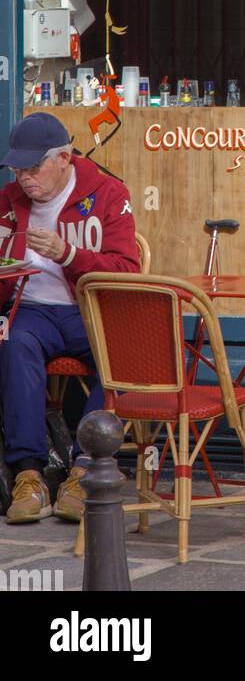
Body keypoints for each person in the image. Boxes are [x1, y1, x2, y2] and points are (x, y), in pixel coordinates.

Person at [0, 113, 140, 524]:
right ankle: (29, 474)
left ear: (63, 158)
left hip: (90, 309)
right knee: (13, 343)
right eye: (17, 168)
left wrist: (68, 254)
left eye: (33, 167)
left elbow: (127, 271)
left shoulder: (109, 194)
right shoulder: (7, 202)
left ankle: (85, 471)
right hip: (31, 310)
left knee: (125, 355)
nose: (25, 177)